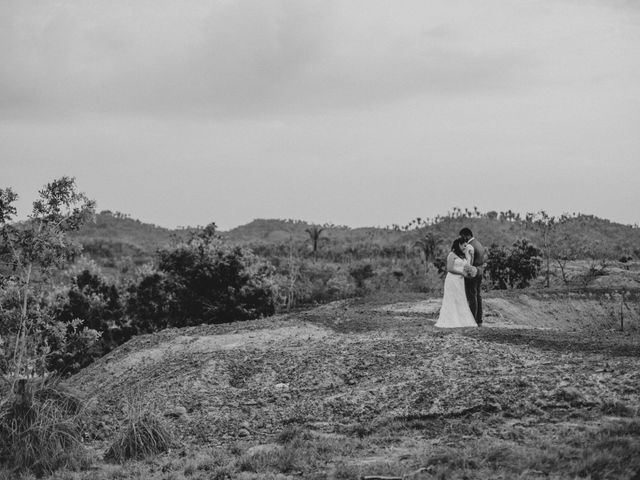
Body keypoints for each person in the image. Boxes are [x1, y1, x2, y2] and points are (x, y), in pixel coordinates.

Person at [435, 238, 478, 328]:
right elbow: (450, 269)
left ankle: (461, 320)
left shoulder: (463, 256)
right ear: (458, 244)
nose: (465, 247)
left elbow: (468, 264)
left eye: (466, 245)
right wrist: (462, 273)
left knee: (460, 298)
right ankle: (452, 320)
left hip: (460, 280)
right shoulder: (451, 255)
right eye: (464, 245)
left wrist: (471, 258)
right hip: (452, 280)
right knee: (452, 298)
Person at [459, 227, 485, 326]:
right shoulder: (479, 244)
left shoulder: (470, 246)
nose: (462, 238)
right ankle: (479, 320)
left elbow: (469, 262)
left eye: (462, 236)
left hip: (472, 272)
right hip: (480, 271)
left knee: (471, 296)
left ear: (467, 235)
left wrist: (466, 271)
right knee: (478, 296)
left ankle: (472, 320)